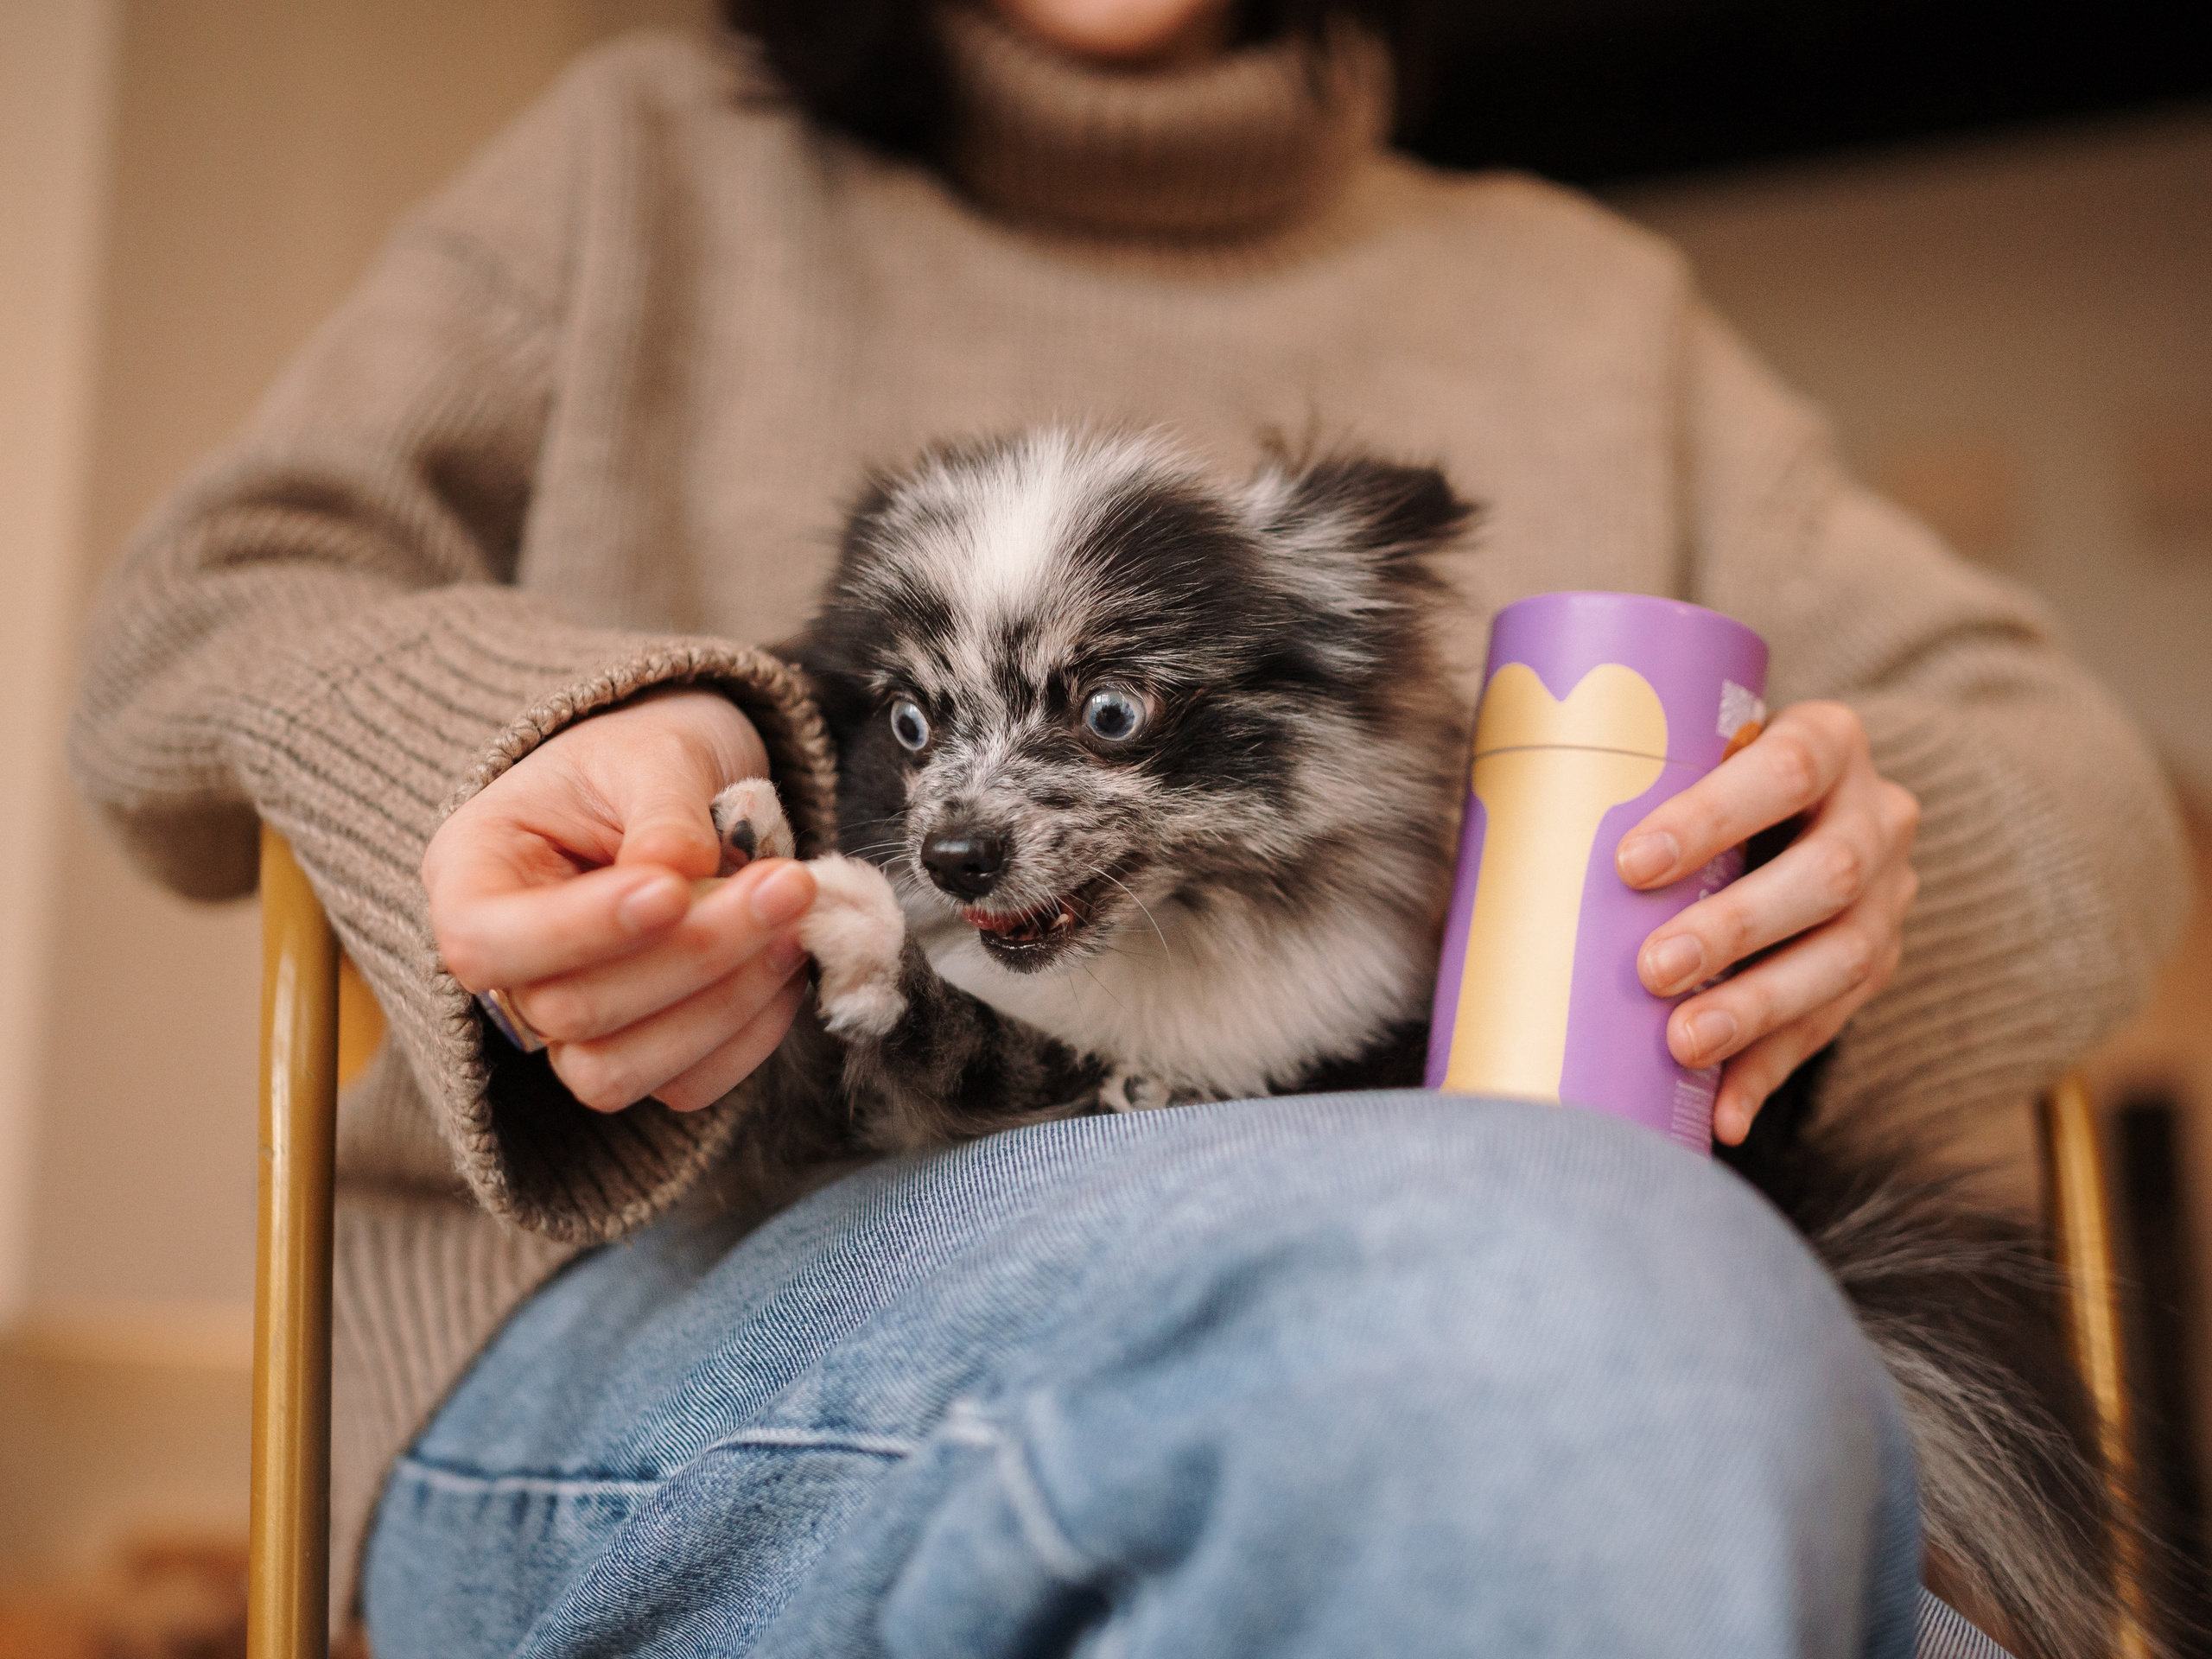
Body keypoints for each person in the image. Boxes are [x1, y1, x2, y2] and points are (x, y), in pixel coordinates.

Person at [68, 0, 2185, 1652]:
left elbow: (2071, 754)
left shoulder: (1593, 299)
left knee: (1666, 1422)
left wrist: (1875, 852)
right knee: (1572, 1330)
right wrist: (541, 729)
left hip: (1519, 1278)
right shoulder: (628, 172)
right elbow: (200, 602)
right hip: (672, 1315)